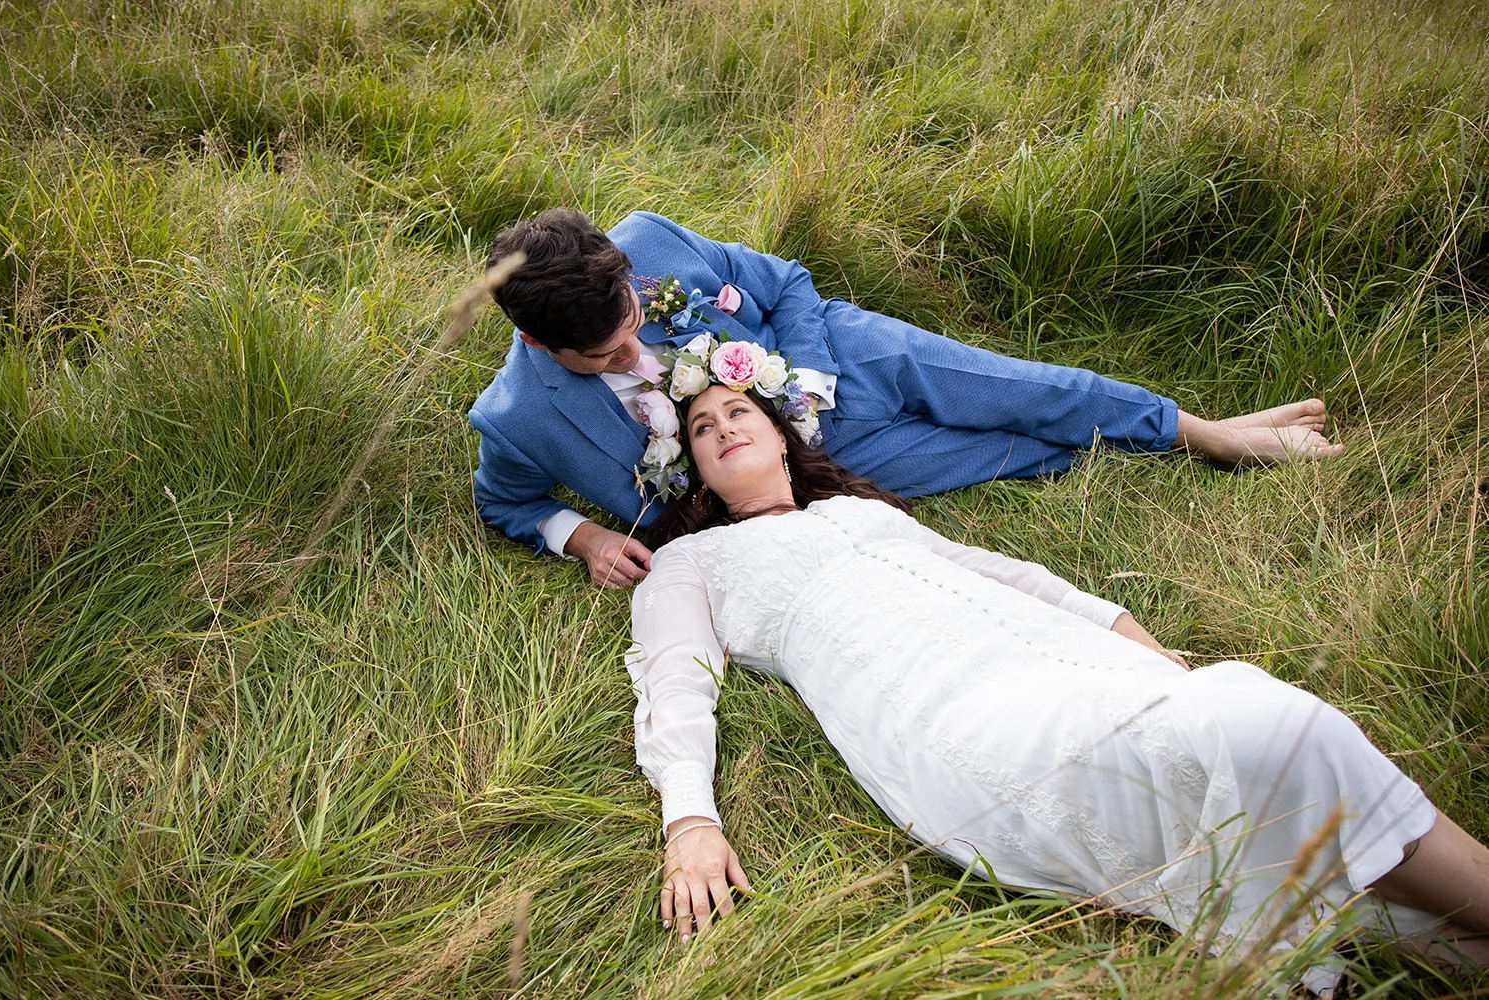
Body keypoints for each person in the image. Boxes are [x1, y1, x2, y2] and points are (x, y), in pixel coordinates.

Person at [623, 354, 1489, 985]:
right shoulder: (696, 563)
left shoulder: (861, 512)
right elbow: (676, 683)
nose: (723, 428)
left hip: (1062, 657)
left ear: (781, 434)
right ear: (690, 467)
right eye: (702, 427)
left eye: (739, 413)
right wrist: (689, 820)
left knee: (1257, 756)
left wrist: (1128, 630)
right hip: (949, 712)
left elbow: (1007, 575)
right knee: (1271, 729)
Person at [468, 208, 1344, 589]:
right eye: (608, 353)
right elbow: (504, 497)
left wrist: (808, 377)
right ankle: (1162, 437)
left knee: (1015, 389)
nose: (633, 347)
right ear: (543, 345)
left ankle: (1207, 435)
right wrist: (578, 536)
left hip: (841, 358)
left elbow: (787, 284)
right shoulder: (518, 415)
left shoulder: (652, 242)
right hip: (797, 469)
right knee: (1000, 453)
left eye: (632, 320)